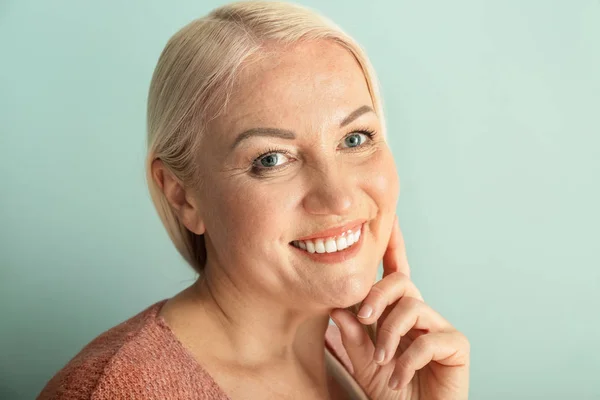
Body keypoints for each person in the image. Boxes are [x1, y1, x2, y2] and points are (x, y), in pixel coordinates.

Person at [37, 1, 470, 399]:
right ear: (182, 194)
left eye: (355, 138)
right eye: (271, 158)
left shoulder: (367, 357)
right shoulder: (113, 390)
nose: (337, 199)